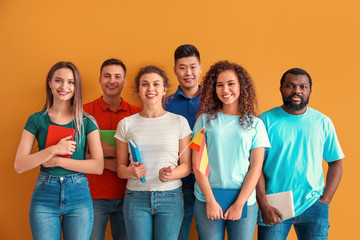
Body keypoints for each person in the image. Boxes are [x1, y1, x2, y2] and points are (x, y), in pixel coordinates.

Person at [14, 61, 104, 240]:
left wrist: (58, 161)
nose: (64, 86)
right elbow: (20, 165)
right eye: (58, 81)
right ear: (49, 83)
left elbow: (98, 166)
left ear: (76, 86)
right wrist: (54, 149)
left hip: (78, 193)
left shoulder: (87, 121)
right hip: (45, 194)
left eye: (71, 82)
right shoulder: (36, 120)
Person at [256, 68, 344, 240]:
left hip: (313, 205)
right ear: (281, 88)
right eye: (290, 86)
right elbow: (255, 167)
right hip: (274, 205)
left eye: (303, 87)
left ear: (310, 90)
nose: (297, 91)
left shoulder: (322, 122)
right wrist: (264, 204)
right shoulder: (264, 122)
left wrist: (325, 200)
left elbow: (336, 162)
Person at [192, 60, 270, 240]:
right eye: (219, 85)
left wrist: (239, 203)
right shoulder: (203, 121)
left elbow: (256, 168)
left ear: (242, 86)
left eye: (231, 84)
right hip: (207, 198)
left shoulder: (256, 124)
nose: (225, 90)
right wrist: (210, 201)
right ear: (213, 88)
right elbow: (198, 165)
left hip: (244, 201)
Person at [115, 65, 192, 240]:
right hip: (135, 198)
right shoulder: (126, 124)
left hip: (170, 197)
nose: (151, 89)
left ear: (164, 89)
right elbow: (120, 168)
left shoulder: (179, 122)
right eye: (145, 84)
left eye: (156, 84)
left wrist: (171, 174)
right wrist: (131, 171)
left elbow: (186, 166)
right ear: (139, 91)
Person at [83, 58, 141, 240]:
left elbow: (140, 157)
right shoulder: (84, 112)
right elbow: (79, 156)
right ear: (99, 79)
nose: (112, 80)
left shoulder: (136, 114)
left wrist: (105, 151)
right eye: (107, 76)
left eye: (117, 76)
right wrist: (117, 161)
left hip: (130, 196)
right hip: (92, 196)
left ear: (124, 81)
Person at [164, 44, 202, 240]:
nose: (188, 73)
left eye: (193, 66)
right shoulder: (165, 104)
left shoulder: (215, 101)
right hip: (179, 184)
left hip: (210, 183)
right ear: (175, 71)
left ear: (200, 68)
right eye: (182, 67)